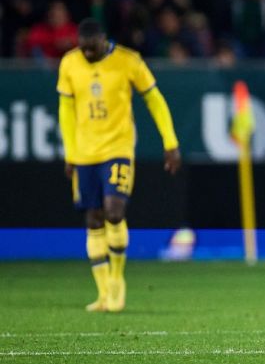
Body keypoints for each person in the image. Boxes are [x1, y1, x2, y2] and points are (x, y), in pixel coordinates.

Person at [57, 19, 181, 312]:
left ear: (104, 40)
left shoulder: (128, 61)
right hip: (85, 153)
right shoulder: (69, 64)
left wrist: (170, 141)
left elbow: (155, 99)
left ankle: (116, 280)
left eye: (93, 49)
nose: (87, 54)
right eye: (83, 49)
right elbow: (66, 110)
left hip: (118, 148)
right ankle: (102, 293)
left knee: (114, 211)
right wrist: (70, 153)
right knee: (93, 219)